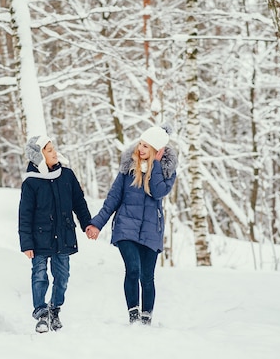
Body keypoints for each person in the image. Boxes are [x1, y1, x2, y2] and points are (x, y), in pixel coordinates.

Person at [85, 125, 178, 325]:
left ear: (157, 150)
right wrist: (97, 224)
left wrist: (154, 166)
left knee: (147, 277)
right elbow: (112, 199)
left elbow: (158, 192)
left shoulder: (167, 172)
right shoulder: (128, 169)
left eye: (147, 146)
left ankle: (146, 318)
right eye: (141, 144)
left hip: (151, 230)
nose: (141, 149)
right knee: (133, 269)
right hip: (126, 227)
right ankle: (134, 316)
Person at [18, 135, 92, 333]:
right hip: (39, 238)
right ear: (39, 156)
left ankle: (54, 310)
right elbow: (24, 215)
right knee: (40, 276)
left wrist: (87, 224)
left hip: (64, 235)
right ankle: (41, 313)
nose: (54, 152)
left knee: (62, 276)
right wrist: (26, 243)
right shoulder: (31, 182)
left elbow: (79, 202)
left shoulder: (66, 175)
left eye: (53, 148)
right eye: (49, 150)